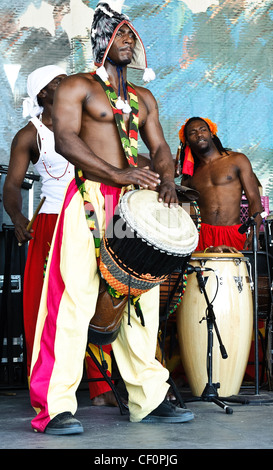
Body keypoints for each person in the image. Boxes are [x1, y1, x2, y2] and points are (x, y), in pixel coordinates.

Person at [28, 2, 194, 435]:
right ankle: (56, 405)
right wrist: (119, 172)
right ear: (103, 41)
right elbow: (65, 139)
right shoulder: (78, 88)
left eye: (131, 35)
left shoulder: (143, 98)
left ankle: (149, 396)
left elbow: (159, 148)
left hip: (132, 205)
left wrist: (167, 179)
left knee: (139, 302)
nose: (128, 40)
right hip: (89, 198)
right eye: (120, 33)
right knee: (73, 300)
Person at [3, 64, 118, 407]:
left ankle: (103, 388)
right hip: (52, 223)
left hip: (93, 219)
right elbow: (11, 186)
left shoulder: (86, 122)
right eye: (58, 81)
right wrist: (17, 215)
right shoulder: (30, 134)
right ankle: (47, 390)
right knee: (48, 307)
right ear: (42, 94)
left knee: (101, 301)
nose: (67, 83)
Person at [178, 116, 263, 253]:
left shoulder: (237, 160)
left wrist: (255, 233)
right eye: (192, 132)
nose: (199, 134)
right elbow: (187, 215)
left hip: (233, 233)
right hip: (202, 235)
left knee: (237, 274)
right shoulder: (189, 176)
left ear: (211, 133)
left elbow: (254, 199)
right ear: (187, 141)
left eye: (203, 129)